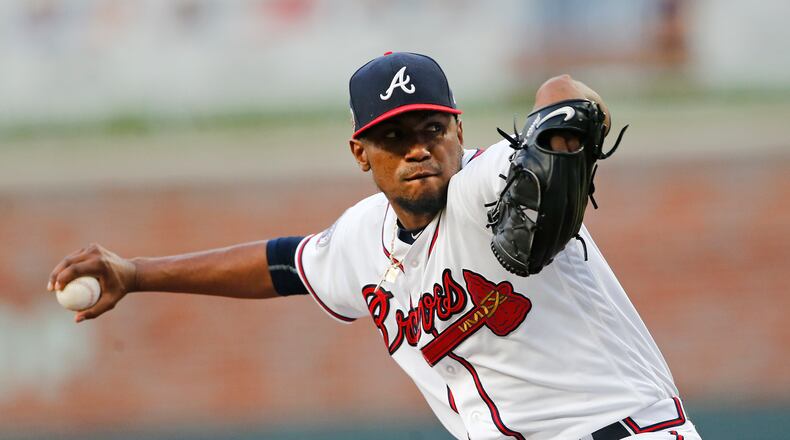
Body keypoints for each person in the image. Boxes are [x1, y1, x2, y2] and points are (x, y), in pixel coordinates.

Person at [48, 52, 701, 440]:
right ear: (361, 152)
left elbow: (565, 99)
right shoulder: (364, 237)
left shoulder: (488, 183)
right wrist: (135, 273)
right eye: (394, 137)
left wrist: (565, 114)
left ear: (457, 128)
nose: (417, 148)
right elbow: (285, 265)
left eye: (430, 129)